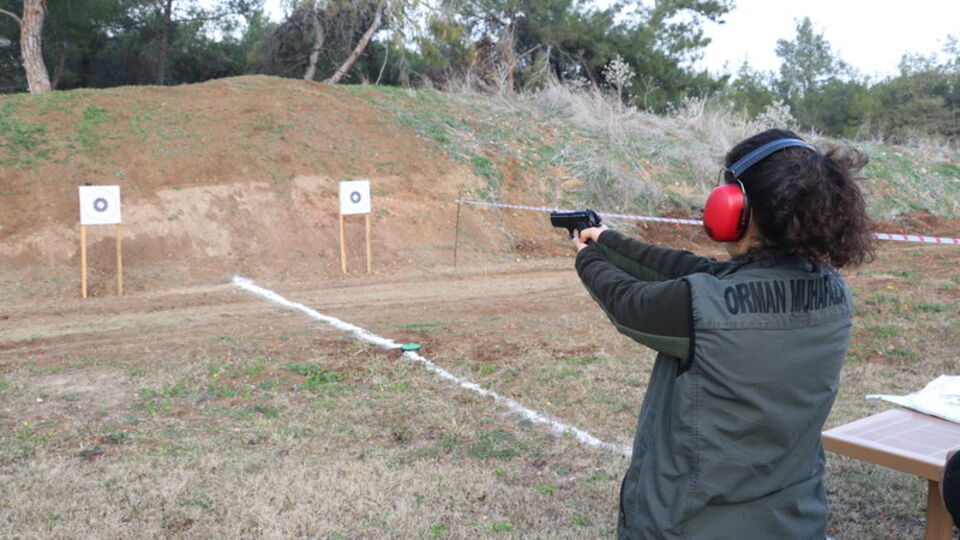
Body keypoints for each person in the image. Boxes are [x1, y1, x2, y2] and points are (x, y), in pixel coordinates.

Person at [572, 129, 874, 539]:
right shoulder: (835, 292)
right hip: (794, 521)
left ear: (738, 209)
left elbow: (627, 301)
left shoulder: (702, 308)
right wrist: (608, 240)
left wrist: (586, 258)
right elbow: (699, 270)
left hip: (695, 526)